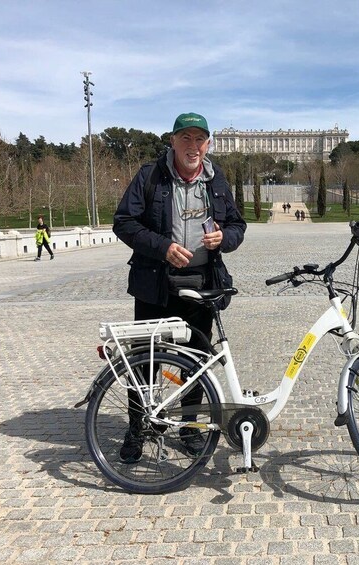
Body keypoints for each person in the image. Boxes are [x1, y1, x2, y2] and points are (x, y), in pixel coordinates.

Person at [113, 112, 246, 464]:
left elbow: (237, 225)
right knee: (144, 364)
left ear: (208, 144)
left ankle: (189, 427)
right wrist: (162, 247)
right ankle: (138, 427)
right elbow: (123, 222)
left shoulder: (217, 181)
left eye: (199, 139)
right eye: (185, 138)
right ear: (172, 141)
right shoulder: (150, 176)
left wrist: (224, 238)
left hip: (201, 285)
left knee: (196, 364)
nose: (193, 146)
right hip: (155, 284)